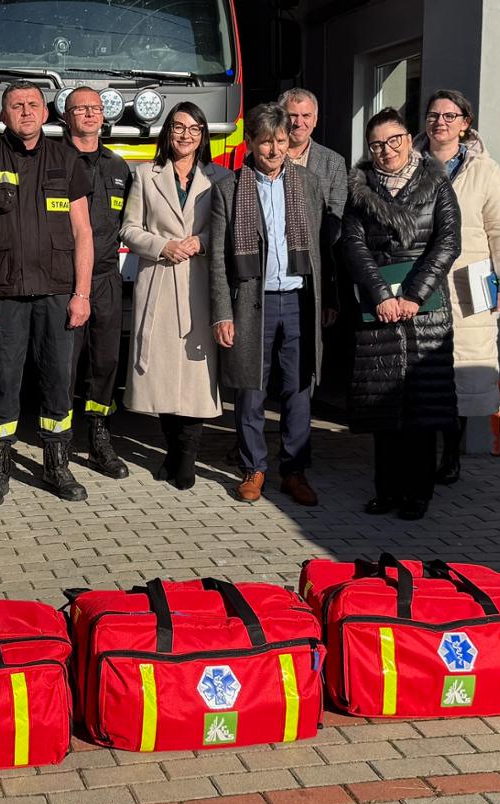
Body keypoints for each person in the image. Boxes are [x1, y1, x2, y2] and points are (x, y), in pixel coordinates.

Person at [0, 81, 95, 507]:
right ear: (3, 115)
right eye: (16, 105)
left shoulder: (66, 159)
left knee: (58, 382)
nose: (25, 112)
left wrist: (83, 293)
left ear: (46, 112)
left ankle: (56, 467)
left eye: (33, 105)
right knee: (2, 382)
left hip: (58, 294)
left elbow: (83, 232)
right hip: (3, 295)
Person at [337, 107, 463, 521]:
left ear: (409, 139)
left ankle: (418, 493)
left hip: (425, 309)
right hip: (380, 308)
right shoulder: (360, 189)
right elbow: (353, 247)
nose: (386, 150)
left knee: (422, 407)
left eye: (393, 141)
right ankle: (387, 490)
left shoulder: (438, 182)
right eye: (377, 144)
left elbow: (447, 243)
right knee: (383, 405)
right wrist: (379, 295)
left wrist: (412, 295)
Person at [207, 103, 332, 507]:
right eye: (266, 142)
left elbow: (321, 248)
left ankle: (294, 470)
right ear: (251, 144)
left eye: (280, 141)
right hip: (252, 303)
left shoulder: (308, 184)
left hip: (298, 300)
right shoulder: (229, 189)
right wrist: (223, 312)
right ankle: (254, 468)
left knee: (298, 390)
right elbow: (219, 260)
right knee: (250, 390)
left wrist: (326, 296)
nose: (275, 150)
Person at [120, 101, 227, 490]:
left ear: (203, 137)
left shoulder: (219, 177)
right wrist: (162, 246)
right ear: (168, 132)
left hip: (200, 283)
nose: (186, 135)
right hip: (160, 281)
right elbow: (129, 229)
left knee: (196, 377)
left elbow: (228, 229)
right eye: (179, 127)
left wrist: (199, 242)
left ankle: (187, 460)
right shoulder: (146, 175)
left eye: (195, 129)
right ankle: (172, 451)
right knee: (164, 377)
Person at [418, 89, 500, 484]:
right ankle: (423, 453)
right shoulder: (410, 162)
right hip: (421, 275)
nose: (439, 122)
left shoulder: (484, 169)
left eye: (449, 116)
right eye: (433, 115)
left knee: (463, 364)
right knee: (424, 366)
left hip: (470, 278)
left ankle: (451, 455)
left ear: (465, 123)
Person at [58, 86, 135, 480]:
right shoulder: (53, 162)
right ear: (65, 116)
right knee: (63, 365)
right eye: (80, 109)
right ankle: (60, 440)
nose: (89, 115)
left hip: (107, 276)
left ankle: (100, 436)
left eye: (95, 109)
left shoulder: (119, 167)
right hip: (63, 278)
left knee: (106, 363)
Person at [279, 88, 348, 243]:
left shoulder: (334, 162)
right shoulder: (266, 157)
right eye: (293, 116)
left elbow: (337, 216)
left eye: (306, 116)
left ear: (315, 120)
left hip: (317, 252)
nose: (299, 123)